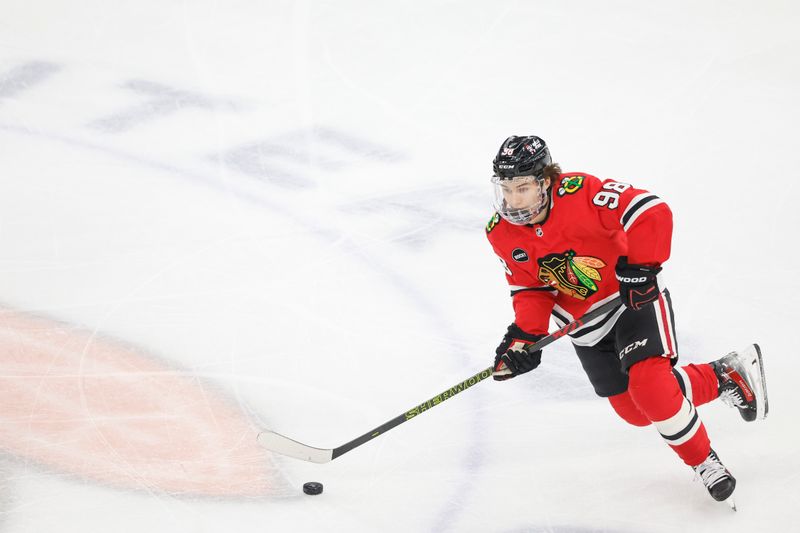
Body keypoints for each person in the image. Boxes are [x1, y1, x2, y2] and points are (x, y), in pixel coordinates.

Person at [486, 135, 768, 507]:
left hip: (630, 301)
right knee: (636, 411)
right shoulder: (499, 231)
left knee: (651, 387)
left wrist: (641, 268)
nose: (513, 199)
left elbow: (650, 210)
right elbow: (531, 289)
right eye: (506, 188)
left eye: (522, 187)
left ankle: (705, 463)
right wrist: (525, 337)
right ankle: (723, 375)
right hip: (586, 327)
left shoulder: (580, 192)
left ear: (546, 180)